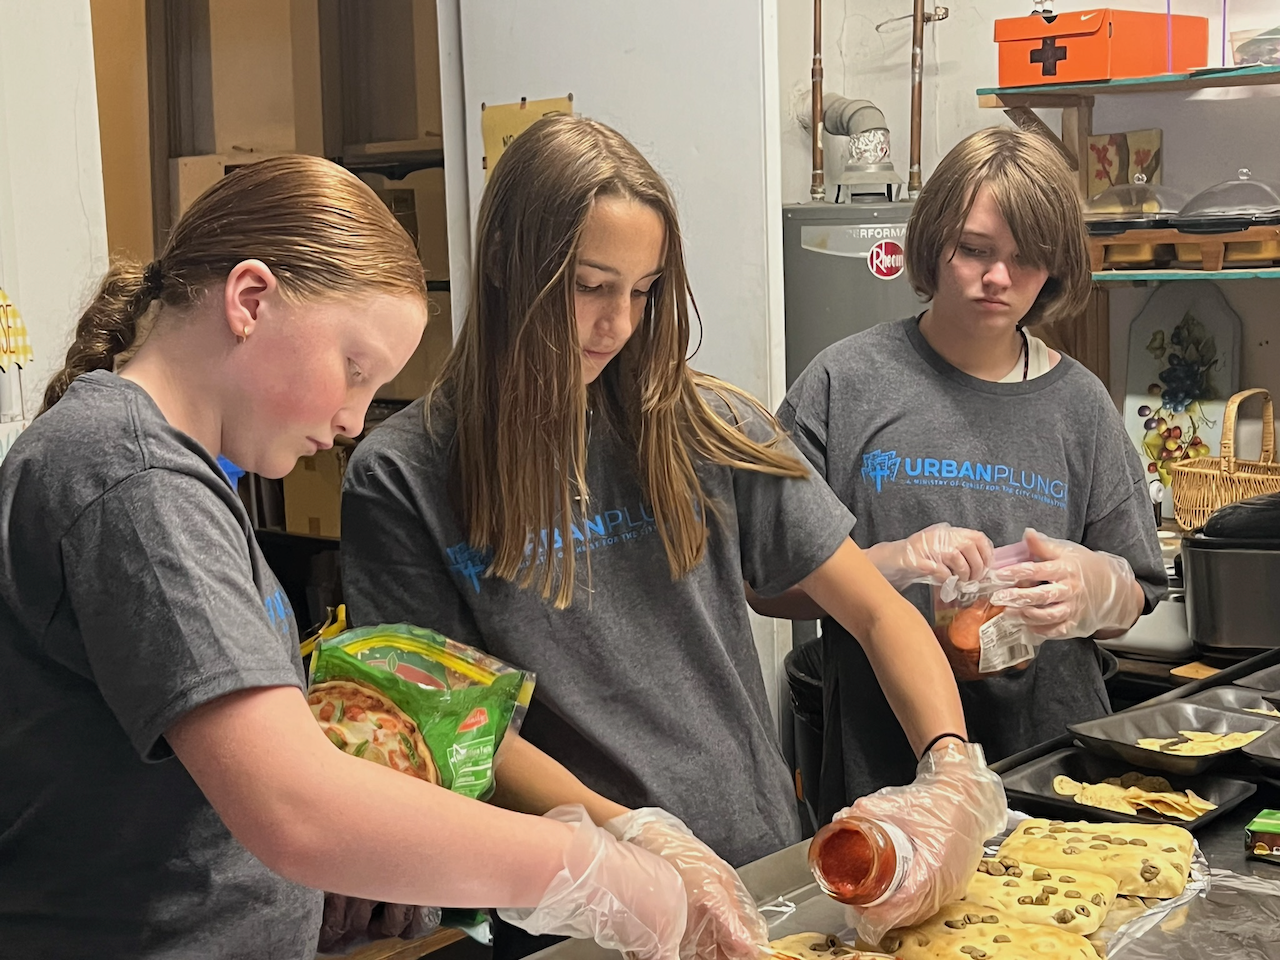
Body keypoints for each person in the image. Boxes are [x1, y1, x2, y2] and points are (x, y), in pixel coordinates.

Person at [0, 155, 766, 960]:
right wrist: (600, 872)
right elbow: (297, 809)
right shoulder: (132, 479)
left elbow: (238, 783)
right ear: (250, 299)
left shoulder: (174, 474)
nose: (352, 418)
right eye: (353, 369)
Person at [340, 114, 1006, 960]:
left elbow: (877, 613)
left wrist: (950, 768)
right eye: (589, 286)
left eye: (643, 289)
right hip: (576, 910)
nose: (618, 322)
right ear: (509, 262)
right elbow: (467, 731)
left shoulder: (707, 427)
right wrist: (638, 840)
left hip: (765, 866)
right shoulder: (405, 478)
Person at [766, 127, 1166, 822]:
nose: (998, 278)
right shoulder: (843, 383)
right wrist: (884, 566)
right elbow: (761, 583)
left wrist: (1097, 591)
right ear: (932, 243)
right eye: (974, 250)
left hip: (1053, 776)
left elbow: (1134, 598)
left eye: (1027, 259)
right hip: (889, 781)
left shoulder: (1080, 405)